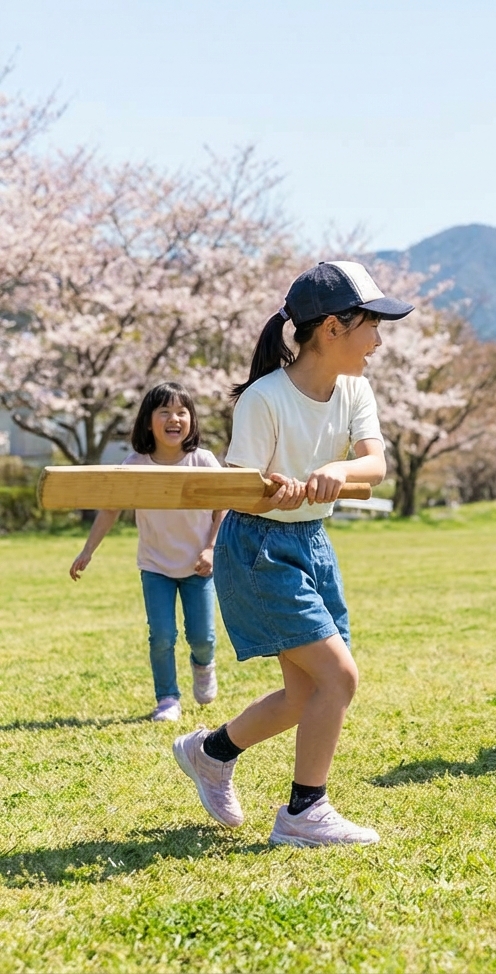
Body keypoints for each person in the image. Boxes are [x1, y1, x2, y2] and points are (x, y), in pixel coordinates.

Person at [173, 261, 413, 848]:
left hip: (312, 543)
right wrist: (266, 485)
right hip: (258, 548)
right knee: (339, 677)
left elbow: (375, 465)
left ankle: (211, 752)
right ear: (332, 327)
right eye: (372, 325)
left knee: (306, 693)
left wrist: (336, 470)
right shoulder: (265, 399)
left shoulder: (355, 389)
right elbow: (239, 485)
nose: (378, 341)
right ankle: (305, 813)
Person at [70, 382, 224, 722]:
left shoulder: (203, 460)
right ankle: (167, 699)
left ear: (192, 420)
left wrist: (212, 549)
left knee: (202, 636)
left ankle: (203, 664)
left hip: (199, 565)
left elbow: (221, 508)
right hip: (155, 566)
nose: (174, 419)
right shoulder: (135, 463)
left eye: (182, 412)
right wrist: (88, 550)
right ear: (148, 421)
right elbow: (111, 508)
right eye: (165, 412)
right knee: (162, 636)